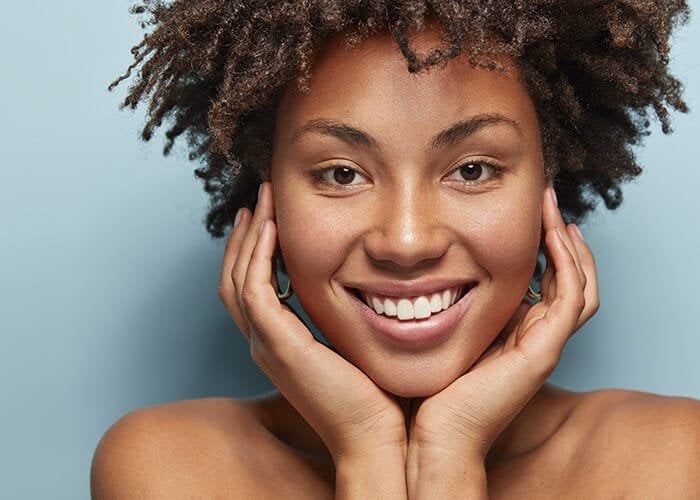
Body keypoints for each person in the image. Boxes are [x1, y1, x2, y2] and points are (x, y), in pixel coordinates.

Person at [91, 1, 699, 498]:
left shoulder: (668, 462)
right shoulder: (168, 470)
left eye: (472, 168)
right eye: (341, 174)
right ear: (265, 195)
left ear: (548, 187)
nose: (406, 242)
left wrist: (453, 454)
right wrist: (368, 451)